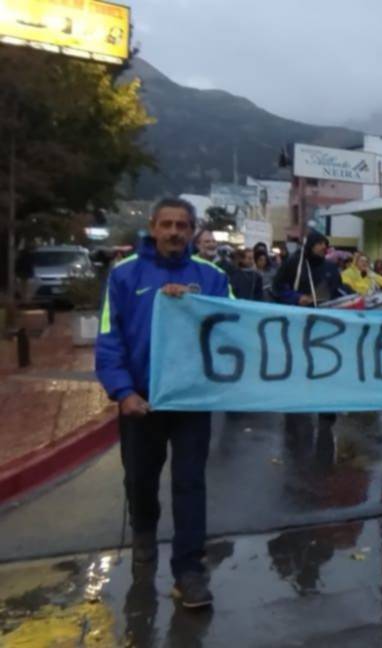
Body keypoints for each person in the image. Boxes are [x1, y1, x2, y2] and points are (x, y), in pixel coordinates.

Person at [95, 197, 232, 609]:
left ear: (192, 232)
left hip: (190, 400)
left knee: (190, 484)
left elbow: (228, 334)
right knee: (141, 480)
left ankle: (189, 572)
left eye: (183, 225)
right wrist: (122, 391)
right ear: (152, 228)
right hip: (140, 402)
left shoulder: (211, 276)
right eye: (167, 224)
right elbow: (109, 337)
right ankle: (143, 532)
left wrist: (191, 306)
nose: (175, 232)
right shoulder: (123, 274)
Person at [272, 229, 348, 306]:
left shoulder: (330, 267)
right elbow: (278, 287)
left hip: (325, 312)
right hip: (298, 312)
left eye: (325, 244)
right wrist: (296, 298)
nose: (324, 246)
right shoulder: (294, 263)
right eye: (320, 243)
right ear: (310, 245)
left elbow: (338, 289)